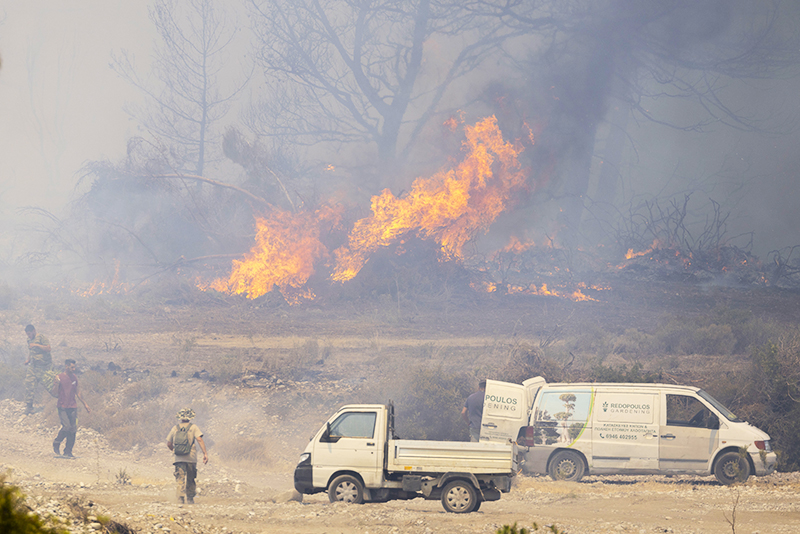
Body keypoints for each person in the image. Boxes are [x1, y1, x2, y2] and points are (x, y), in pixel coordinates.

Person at [166, 408, 208, 504]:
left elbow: (169, 443)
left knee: (180, 478)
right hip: (191, 458)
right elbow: (200, 440)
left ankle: (180, 499)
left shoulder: (175, 428)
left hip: (178, 458)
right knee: (190, 478)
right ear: (190, 417)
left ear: (180, 417)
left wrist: (175, 451)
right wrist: (205, 453)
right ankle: (190, 499)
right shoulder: (193, 427)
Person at [52, 359, 91, 458]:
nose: (74, 369)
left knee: (73, 429)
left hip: (73, 406)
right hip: (62, 406)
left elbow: (78, 392)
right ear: (66, 366)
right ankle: (56, 442)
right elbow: (54, 392)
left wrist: (85, 404)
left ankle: (68, 451)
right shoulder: (59, 377)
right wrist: (56, 384)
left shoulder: (74, 377)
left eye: (74, 367)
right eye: (72, 367)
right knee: (66, 427)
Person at [24, 324, 54, 414]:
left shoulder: (41, 338)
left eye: (29, 333)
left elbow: (48, 348)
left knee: (50, 386)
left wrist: (36, 345)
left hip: (44, 367)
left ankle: (61, 402)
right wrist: (28, 360)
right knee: (29, 385)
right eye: (27, 334)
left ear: (34, 331)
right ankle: (29, 407)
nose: (28, 336)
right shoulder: (29, 340)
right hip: (33, 366)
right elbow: (31, 351)